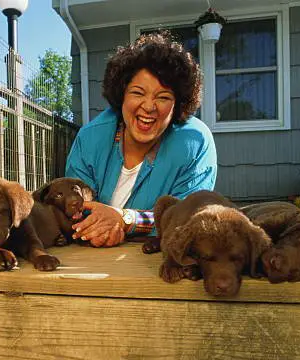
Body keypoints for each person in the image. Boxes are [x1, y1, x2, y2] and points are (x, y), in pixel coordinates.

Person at [65, 31, 217, 248]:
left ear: (178, 105)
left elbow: (188, 217)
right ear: (122, 94)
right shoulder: (90, 137)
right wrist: (97, 227)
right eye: (138, 93)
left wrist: (126, 220)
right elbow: (74, 209)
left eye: (163, 97)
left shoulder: (195, 142)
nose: (148, 107)